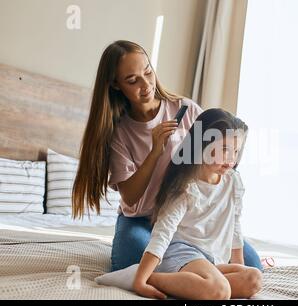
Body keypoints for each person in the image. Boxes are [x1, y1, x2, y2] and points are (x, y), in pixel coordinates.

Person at [71, 40, 262, 273]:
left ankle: (198, 275)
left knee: (252, 265)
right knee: (132, 260)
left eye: (148, 72)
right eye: (132, 80)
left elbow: (223, 159)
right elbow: (130, 198)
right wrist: (155, 152)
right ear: (116, 85)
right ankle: (194, 275)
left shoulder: (187, 109)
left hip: (188, 219)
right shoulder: (119, 132)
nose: (146, 84)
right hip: (142, 219)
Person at [129, 108, 262, 299]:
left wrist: (239, 267)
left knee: (254, 278)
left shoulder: (233, 181)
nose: (231, 158)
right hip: (182, 253)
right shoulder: (187, 187)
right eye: (224, 149)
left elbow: (235, 226)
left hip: (212, 258)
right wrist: (141, 280)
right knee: (220, 290)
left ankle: (198, 284)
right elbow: (163, 233)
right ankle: (151, 278)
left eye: (236, 151)